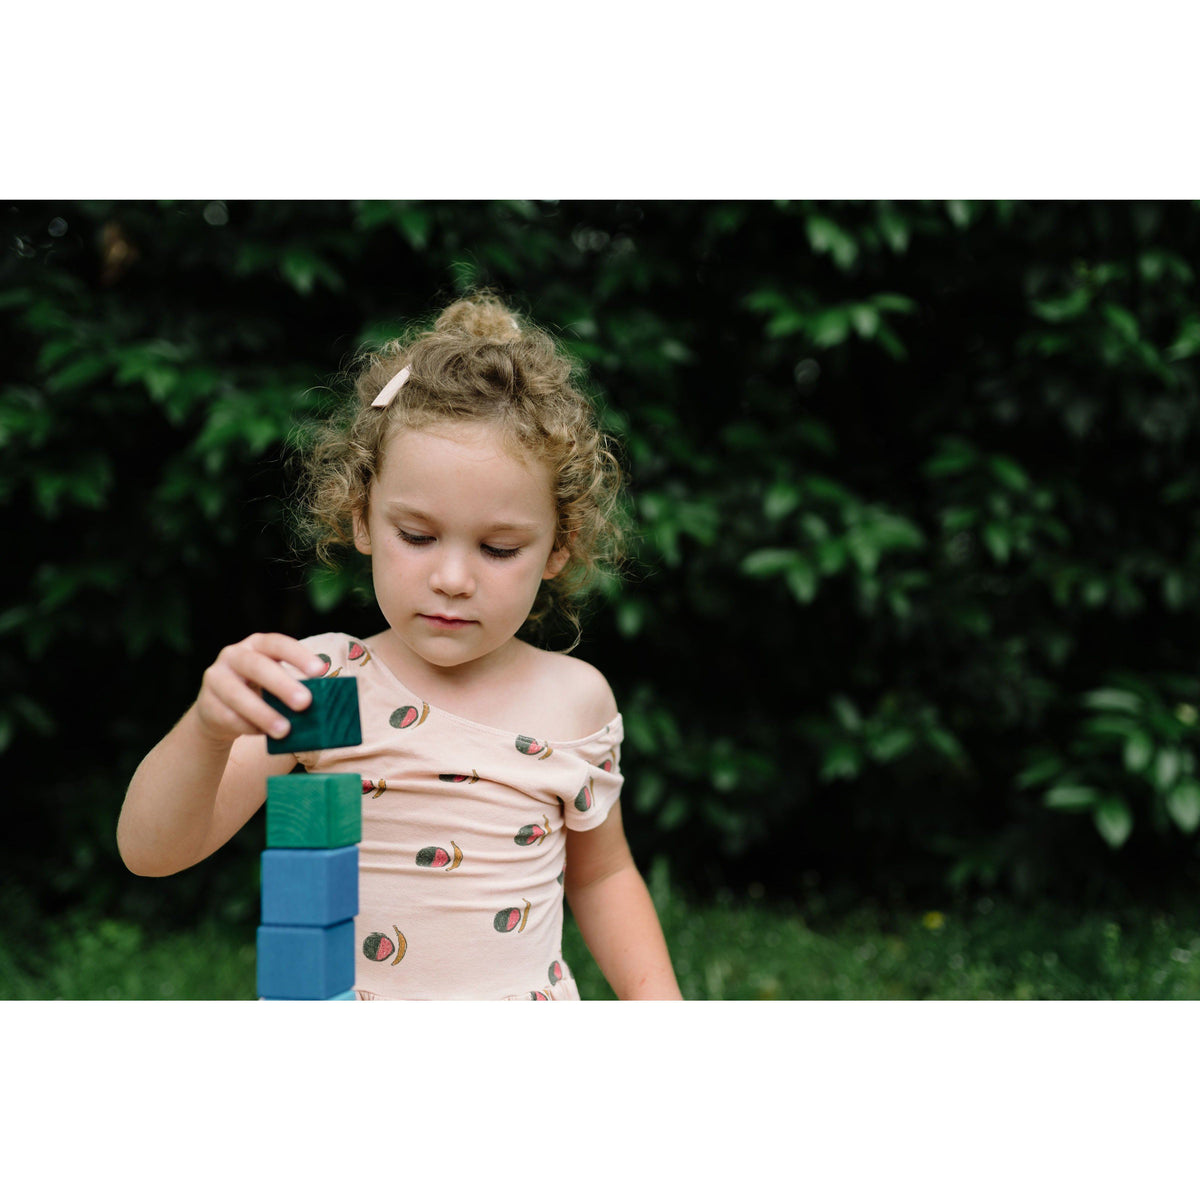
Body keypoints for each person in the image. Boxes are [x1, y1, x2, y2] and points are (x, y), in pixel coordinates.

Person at [118, 292, 683, 1001]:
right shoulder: (326, 683)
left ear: (557, 549)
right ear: (362, 521)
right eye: (417, 536)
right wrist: (206, 730)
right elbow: (151, 852)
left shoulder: (573, 700)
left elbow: (602, 876)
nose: (451, 579)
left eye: (499, 547)